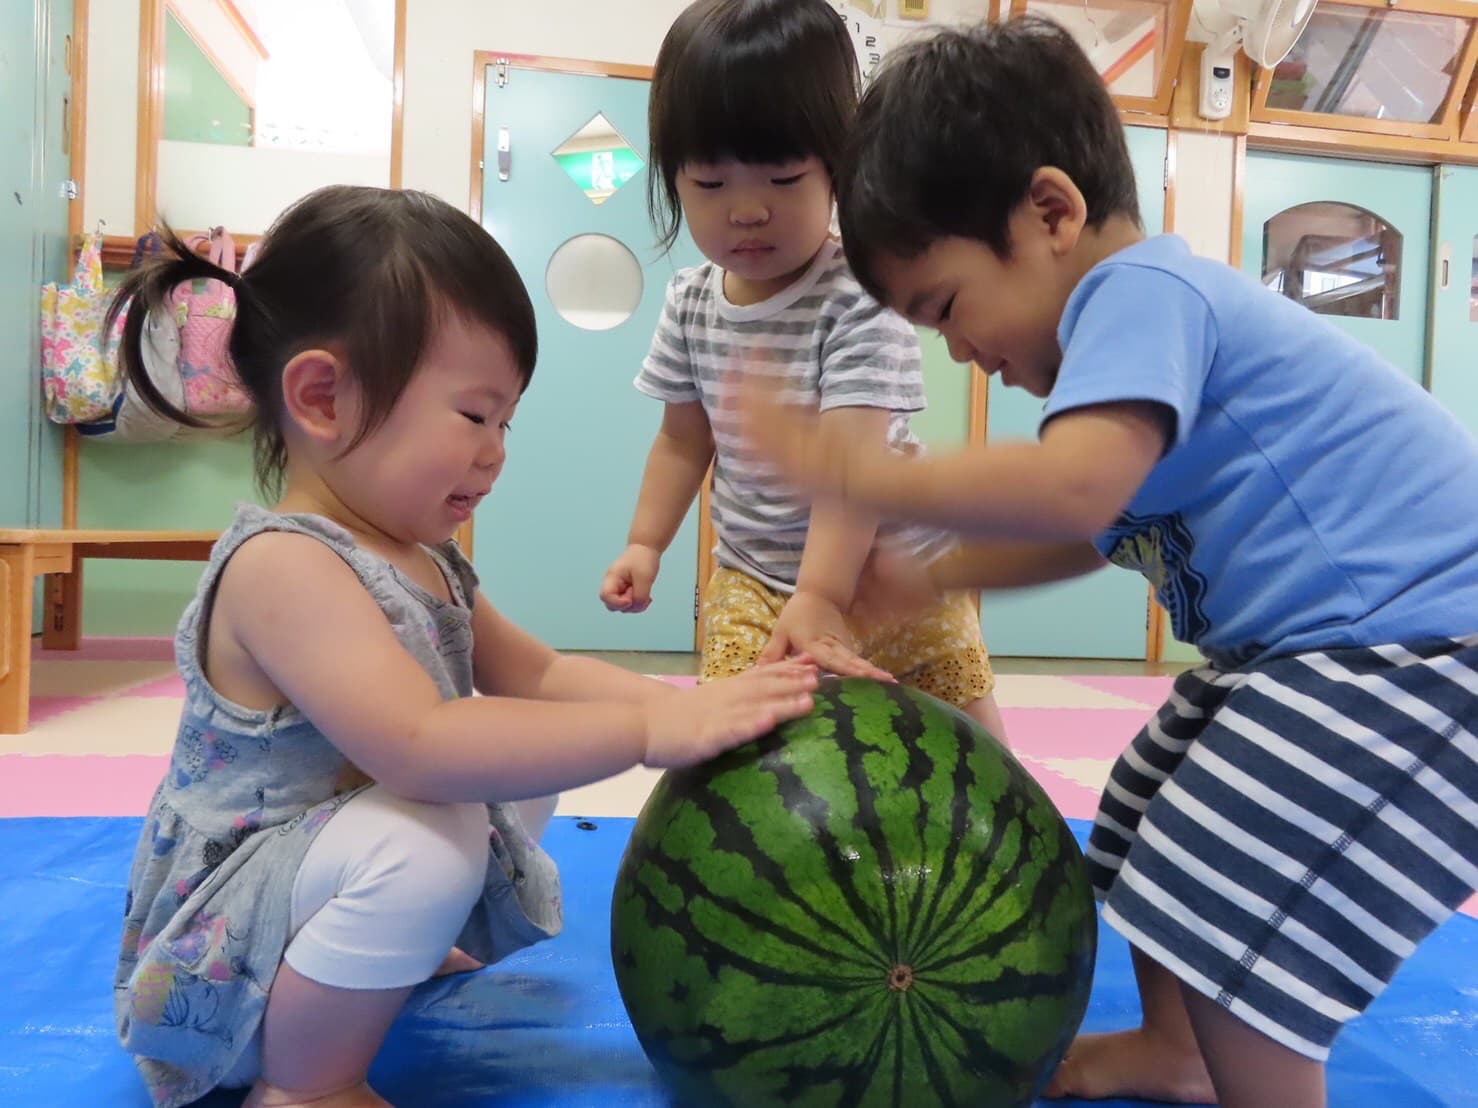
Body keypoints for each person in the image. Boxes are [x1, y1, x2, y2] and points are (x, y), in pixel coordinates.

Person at [740, 17, 1478, 1108]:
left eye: (946, 307)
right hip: (1296, 654)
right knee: (1141, 805)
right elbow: (1083, 533)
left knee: (1237, 889)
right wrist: (935, 576)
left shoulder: (1138, 296)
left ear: (1050, 212)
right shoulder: (1120, 354)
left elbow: (1074, 488)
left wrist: (868, 475)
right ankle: (1175, 1051)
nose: (957, 351)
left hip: (1412, 653)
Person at [107, 185, 818, 1108]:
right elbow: (418, 746)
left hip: (320, 872)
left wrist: (679, 709)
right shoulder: (283, 566)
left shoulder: (426, 558)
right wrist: (646, 738)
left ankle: (376, 953)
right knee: (436, 823)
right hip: (224, 955)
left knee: (531, 739)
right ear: (322, 397)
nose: (496, 452)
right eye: (474, 415)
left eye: (506, 421)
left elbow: (546, 674)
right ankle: (306, 1082)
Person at [598, 0, 1007, 741]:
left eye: (784, 179)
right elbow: (683, 442)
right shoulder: (691, 302)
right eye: (711, 186)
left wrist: (823, 591)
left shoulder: (858, 294)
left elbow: (853, 464)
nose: (747, 211)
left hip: (893, 575)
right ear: (672, 180)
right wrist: (644, 544)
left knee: (968, 734)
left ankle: (1016, 838)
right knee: (728, 743)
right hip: (754, 579)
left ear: (840, 168)